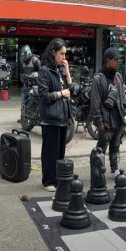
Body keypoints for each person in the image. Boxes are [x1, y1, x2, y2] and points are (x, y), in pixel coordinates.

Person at [36, 38, 73, 191]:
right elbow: (44, 96)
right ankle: (48, 181)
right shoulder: (45, 71)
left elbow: (71, 90)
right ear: (53, 52)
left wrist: (68, 72)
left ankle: (58, 179)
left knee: (60, 152)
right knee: (49, 153)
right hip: (51, 118)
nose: (64, 58)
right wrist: (61, 93)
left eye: (65, 54)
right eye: (61, 54)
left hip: (63, 117)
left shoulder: (59, 70)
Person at [89, 47, 126, 177]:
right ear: (107, 61)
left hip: (118, 119)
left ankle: (114, 169)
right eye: (115, 60)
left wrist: (123, 114)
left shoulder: (119, 77)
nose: (118, 62)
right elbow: (95, 102)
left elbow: (122, 96)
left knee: (115, 146)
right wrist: (99, 122)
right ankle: (98, 170)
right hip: (105, 120)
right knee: (101, 147)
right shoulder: (98, 79)